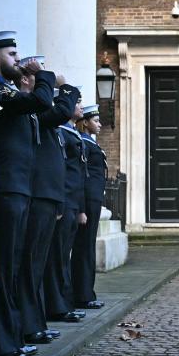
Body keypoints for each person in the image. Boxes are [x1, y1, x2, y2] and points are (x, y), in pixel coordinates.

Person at [0, 31, 55, 356]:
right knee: (2, 267)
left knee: (11, 267)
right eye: (12, 54)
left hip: (17, 187)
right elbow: (41, 101)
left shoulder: (6, 89)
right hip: (3, 186)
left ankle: (9, 336)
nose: (19, 61)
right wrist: (42, 75)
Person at [16, 57, 78, 345]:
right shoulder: (32, 111)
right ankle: (27, 325)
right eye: (30, 79)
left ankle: (34, 322)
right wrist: (61, 84)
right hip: (36, 193)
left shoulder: (40, 113)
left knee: (36, 266)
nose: (41, 87)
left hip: (47, 195)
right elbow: (63, 109)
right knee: (29, 266)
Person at [43, 95, 88, 324]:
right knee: (57, 257)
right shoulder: (61, 131)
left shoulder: (71, 133)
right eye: (76, 102)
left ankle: (64, 302)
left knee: (63, 257)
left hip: (71, 202)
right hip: (64, 200)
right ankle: (57, 305)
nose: (79, 106)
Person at [72, 104, 108, 310]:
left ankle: (87, 292)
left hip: (94, 201)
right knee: (83, 249)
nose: (100, 124)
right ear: (84, 123)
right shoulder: (83, 143)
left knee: (87, 248)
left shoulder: (89, 143)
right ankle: (82, 295)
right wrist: (82, 208)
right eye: (96, 121)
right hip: (88, 202)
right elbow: (82, 178)